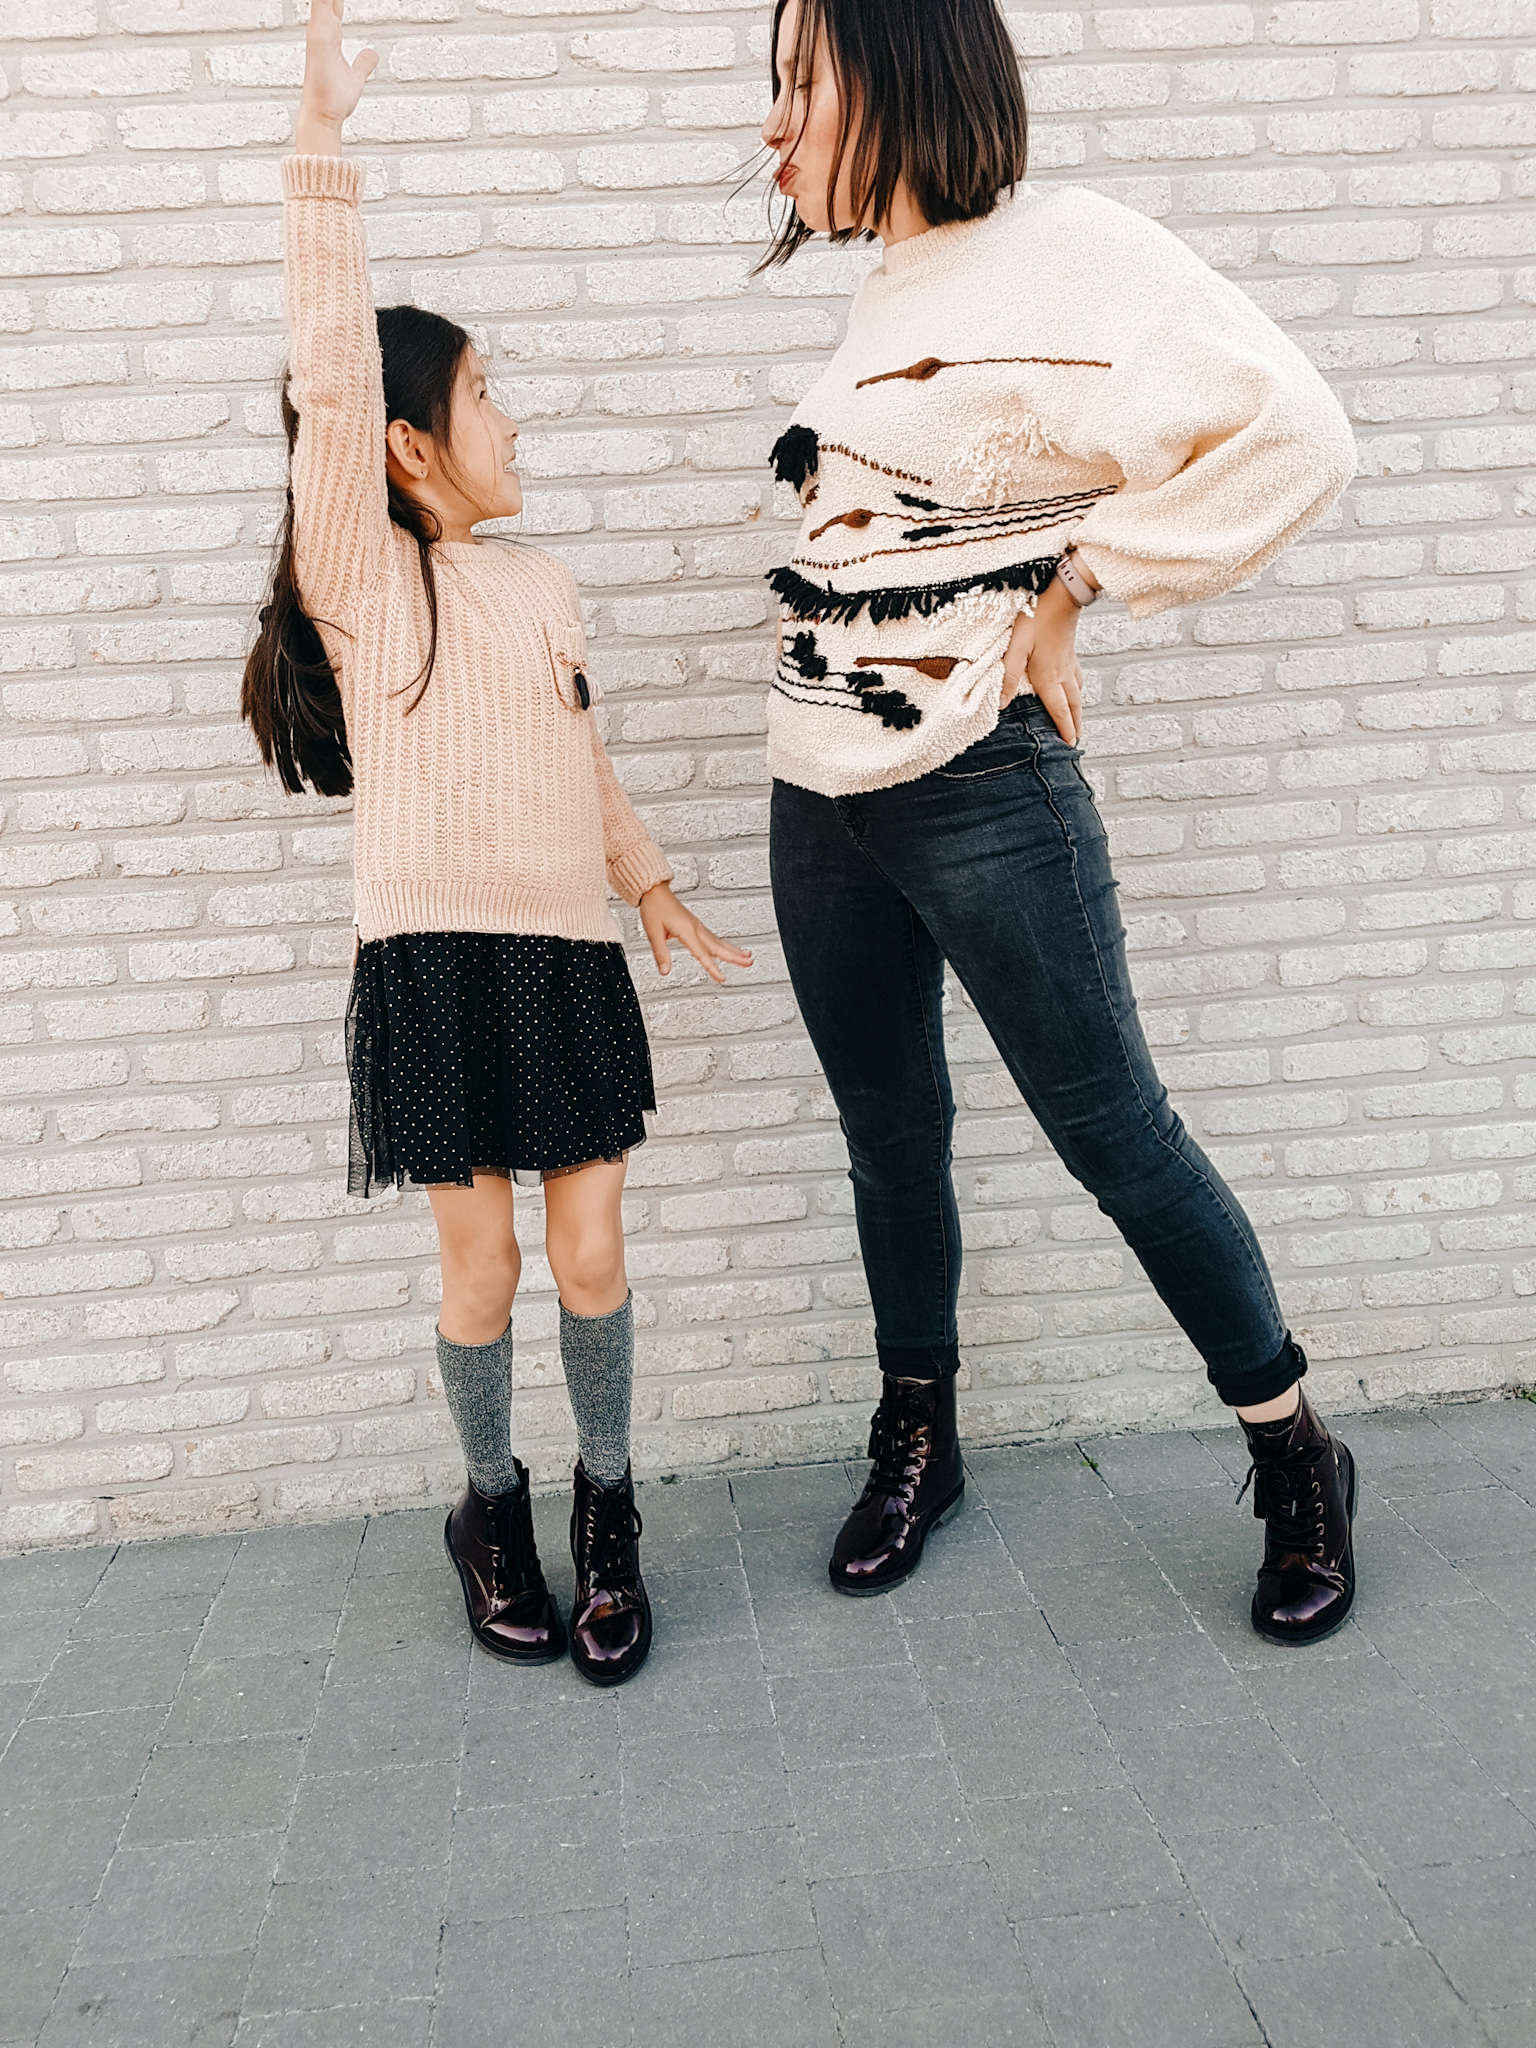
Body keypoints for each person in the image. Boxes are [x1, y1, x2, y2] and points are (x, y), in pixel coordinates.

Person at [759, 0, 1362, 1646]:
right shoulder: (889, 289)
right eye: (774, 88)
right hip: (816, 793)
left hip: (980, 784)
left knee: (1114, 1133)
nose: (775, 124)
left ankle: (1293, 1450)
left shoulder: (1070, 251)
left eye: (802, 82)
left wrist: (1085, 581)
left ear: (902, 70)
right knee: (889, 1137)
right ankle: (920, 1438)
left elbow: (1299, 435)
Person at [243, 0, 750, 1687]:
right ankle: (490, 1506)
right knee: (484, 1269)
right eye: (485, 393)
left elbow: (579, 752)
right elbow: (330, 375)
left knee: (593, 1252)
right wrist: (322, 149)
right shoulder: (365, 586)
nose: (513, 419)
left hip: (566, 957)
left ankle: (610, 1507)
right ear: (409, 445)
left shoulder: (542, 585)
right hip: (434, 962)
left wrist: (649, 880)